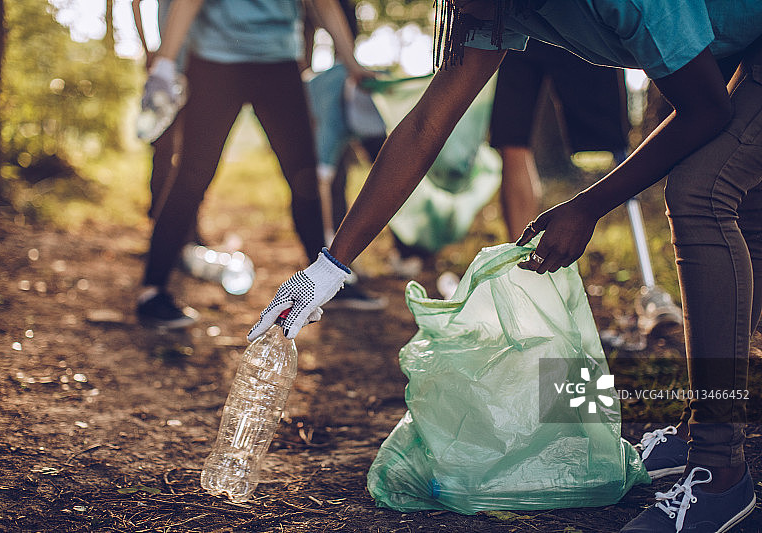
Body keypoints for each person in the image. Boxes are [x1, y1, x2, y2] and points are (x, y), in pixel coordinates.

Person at [251, 2, 762, 531]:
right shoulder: (490, 8)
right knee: (744, 204)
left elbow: (706, 110)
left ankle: (722, 477)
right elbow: (428, 124)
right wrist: (329, 269)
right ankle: (704, 429)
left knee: (702, 191)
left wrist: (587, 205)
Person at [135, 0, 379, 327]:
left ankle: (329, 285)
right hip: (214, 62)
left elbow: (325, 4)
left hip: (279, 63)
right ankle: (152, 290)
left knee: (304, 177)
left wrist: (352, 64)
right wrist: (164, 63)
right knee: (192, 175)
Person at [490, 38, 629, 240]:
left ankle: (604, 236)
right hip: (517, 19)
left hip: (580, 18)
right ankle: (520, 254)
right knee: (511, 139)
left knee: (609, 139)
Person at [130, 0, 201, 245]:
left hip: (202, 71)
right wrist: (150, 51)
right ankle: (159, 232)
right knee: (163, 153)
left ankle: (190, 231)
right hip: (169, 77)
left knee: (195, 155)